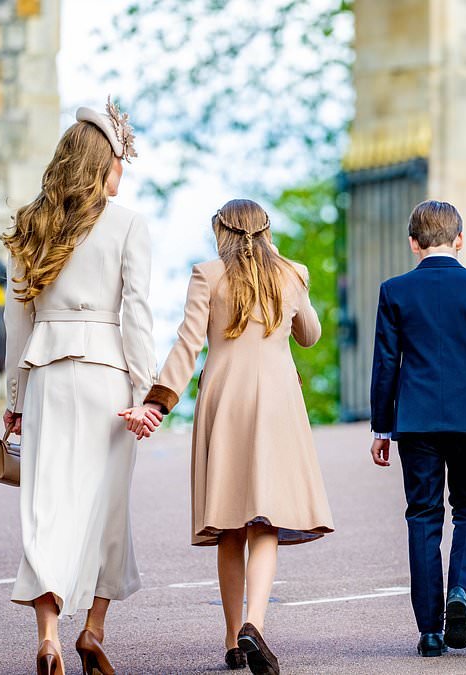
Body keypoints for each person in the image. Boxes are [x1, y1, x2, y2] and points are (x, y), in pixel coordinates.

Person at [121, 199, 334, 675]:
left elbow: (188, 342)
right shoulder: (291, 273)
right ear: (266, 231)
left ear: (220, 231)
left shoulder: (207, 273)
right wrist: (291, 279)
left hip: (225, 403)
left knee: (230, 524)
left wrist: (158, 400)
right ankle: (254, 624)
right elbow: (310, 335)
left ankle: (232, 637)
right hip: (278, 403)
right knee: (266, 521)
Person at [1, 98, 157, 675]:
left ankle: (49, 638)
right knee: (106, 508)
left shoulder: (29, 223)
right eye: (119, 163)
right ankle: (92, 629)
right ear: (101, 165)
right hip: (108, 379)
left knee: (46, 505)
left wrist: (12, 404)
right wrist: (146, 394)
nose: (124, 174)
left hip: (45, 374)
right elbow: (137, 319)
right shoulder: (129, 225)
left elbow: (16, 324)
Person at [368, 200, 466, 658]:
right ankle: (460, 591)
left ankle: (429, 630)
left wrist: (382, 428)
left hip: (415, 420)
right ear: (460, 239)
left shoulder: (394, 290)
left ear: (413, 243)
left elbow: (386, 364)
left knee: (422, 516)